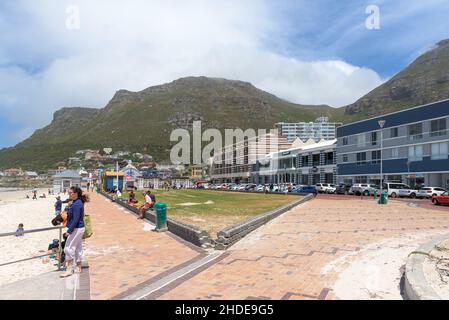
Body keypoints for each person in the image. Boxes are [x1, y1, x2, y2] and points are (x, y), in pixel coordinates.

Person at [60, 186, 89, 278]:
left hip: (76, 228)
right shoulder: (78, 202)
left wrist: (69, 231)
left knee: (68, 247)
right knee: (78, 247)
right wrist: (69, 206)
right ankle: (78, 267)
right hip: (79, 228)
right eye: (68, 192)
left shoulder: (77, 204)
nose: (69, 194)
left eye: (70, 192)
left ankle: (69, 270)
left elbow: (76, 219)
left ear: (75, 193)